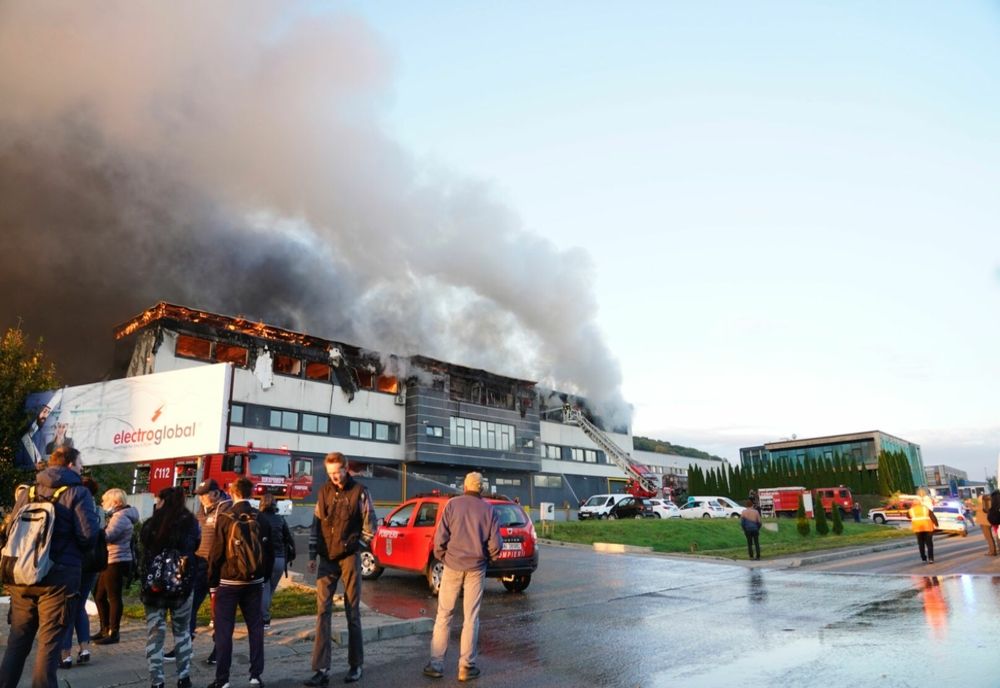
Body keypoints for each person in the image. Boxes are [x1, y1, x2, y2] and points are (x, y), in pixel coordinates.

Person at [0, 446, 100, 688]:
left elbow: (11, 529)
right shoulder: (78, 492)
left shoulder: (29, 491)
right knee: (49, 645)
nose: (81, 468)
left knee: (17, 642)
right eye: (80, 464)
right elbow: (88, 536)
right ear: (70, 464)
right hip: (58, 579)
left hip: (23, 574)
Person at [304, 452, 376, 687]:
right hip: (326, 558)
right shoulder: (323, 491)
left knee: (352, 612)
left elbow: (370, 526)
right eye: (330, 473)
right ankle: (321, 669)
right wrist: (312, 555)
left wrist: (356, 548)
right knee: (322, 612)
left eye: (337, 472)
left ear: (346, 469)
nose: (334, 477)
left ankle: (356, 665)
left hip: (348, 558)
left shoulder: (360, 492)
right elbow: (316, 525)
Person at [423, 471, 502, 683]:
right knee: (471, 618)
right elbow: (496, 545)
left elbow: (440, 539)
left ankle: (436, 664)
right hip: (476, 568)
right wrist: (488, 558)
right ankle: (466, 667)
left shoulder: (452, 505)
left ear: (464, 487)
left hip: (452, 566)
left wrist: (444, 557)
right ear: (481, 488)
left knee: (444, 614)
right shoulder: (489, 510)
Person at [207, 478, 273, 688]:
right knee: (255, 628)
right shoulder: (261, 518)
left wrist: (212, 582)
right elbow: (269, 552)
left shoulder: (225, 518)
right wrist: (263, 577)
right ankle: (255, 676)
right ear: (251, 493)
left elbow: (216, 553)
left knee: (224, 630)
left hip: (229, 581)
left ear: (233, 492)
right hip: (254, 582)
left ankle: (223, 679)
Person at [165, 478, 231, 664]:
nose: (201, 498)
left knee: (219, 610)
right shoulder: (201, 510)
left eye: (204, 495)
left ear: (215, 493)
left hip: (218, 566)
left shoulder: (226, 510)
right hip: (199, 564)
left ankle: (219, 649)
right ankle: (184, 645)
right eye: (199, 495)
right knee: (190, 606)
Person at [140, 486, 200, 688]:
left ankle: (157, 681)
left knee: (155, 634)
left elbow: (144, 546)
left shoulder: (152, 524)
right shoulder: (190, 523)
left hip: (154, 587)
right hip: (181, 585)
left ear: (163, 501)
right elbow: (195, 546)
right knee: (182, 631)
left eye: (158, 500)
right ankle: (184, 677)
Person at [59, 476, 101, 668]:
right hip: (92, 564)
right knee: (80, 606)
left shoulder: (73, 506)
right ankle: (84, 648)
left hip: (74, 563)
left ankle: (65, 654)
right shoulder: (98, 509)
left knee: (67, 608)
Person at [93, 488, 139, 645]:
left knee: (113, 597)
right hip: (111, 559)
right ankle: (105, 628)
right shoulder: (119, 516)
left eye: (105, 500)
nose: (103, 503)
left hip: (116, 560)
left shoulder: (120, 517)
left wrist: (95, 529)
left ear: (115, 502)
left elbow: (108, 536)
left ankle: (113, 632)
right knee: (99, 595)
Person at [257, 493, 293, 631]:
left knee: (264, 589)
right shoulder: (280, 519)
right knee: (270, 590)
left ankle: (264, 619)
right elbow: (288, 539)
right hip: (279, 559)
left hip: (265, 559)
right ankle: (264, 614)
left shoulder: (259, 519)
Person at [908, 489, 937, 564]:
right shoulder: (925, 508)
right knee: (929, 544)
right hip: (928, 528)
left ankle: (923, 558)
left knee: (921, 544)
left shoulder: (911, 510)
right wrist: (936, 524)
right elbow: (932, 516)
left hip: (918, 529)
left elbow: (908, 516)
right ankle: (931, 559)